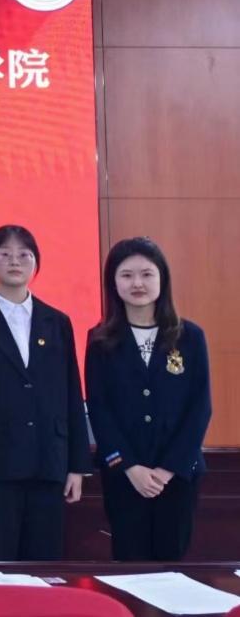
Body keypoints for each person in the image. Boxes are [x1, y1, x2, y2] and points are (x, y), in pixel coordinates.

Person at [0, 225, 89, 560]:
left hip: (48, 462)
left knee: (45, 565)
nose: (15, 261)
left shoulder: (57, 321)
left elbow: (72, 393)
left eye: (24, 255)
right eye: (5, 254)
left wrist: (77, 465)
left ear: (36, 263)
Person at [85, 236, 211, 561]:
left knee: (172, 566)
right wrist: (129, 467)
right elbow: (99, 408)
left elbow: (200, 408)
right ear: (113, 283)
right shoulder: (100, 340)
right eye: (126, 275)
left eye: (146, 274)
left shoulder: (190, 336)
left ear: (162, 279)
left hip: (178, 476)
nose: (137, 283)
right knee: (129, 565)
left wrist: (168, 469)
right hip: (125, 477)